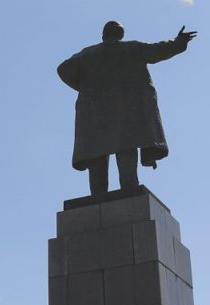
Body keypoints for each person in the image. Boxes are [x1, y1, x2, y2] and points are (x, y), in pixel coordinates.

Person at [58, 21, 197, 195]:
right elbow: (158, 50)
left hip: (95, 113)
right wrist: (178, 42)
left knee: (97, 154)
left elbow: (63, 69)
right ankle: (129, 189)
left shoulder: (87, 54)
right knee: (126, 148)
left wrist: (85, 88)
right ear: (121, 35)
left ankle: (98, 196)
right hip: (125, 112)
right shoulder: (132, 49)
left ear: (103, 35)